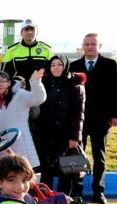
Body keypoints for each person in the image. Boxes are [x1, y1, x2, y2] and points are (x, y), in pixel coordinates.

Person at [69, 33, 117, 204]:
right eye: (87, 44)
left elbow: (116, 90)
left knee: (99, 156)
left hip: (101, 118)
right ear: (82, 46)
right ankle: (76, 191)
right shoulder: (74, 65)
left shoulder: (110, 64)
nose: (90, 46)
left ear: (99, 46)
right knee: (77, 155)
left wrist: (116, 115)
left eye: (93, 44)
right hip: (80, 119)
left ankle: (98, 191)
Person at [36, 55, 86, 196]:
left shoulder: (75, 85)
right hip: (46, 135)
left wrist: (74, 138)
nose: (56, 68)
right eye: (53, 65)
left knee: (66, 173)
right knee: (47, 173)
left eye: (59, 64)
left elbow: (79, 115)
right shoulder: (44, 82)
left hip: (66, 137)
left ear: (65, 66)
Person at [0, 70, 46, 168]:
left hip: (22, 147)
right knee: (6, 178)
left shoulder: (20, 95)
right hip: (1, 148)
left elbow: (39, 98)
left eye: (1, 81)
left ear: (9, 82)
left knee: (25, 177)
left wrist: (35, 82)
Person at [1, 19, 53, 84]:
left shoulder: (47, 49)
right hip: (19, 90)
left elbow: (52, 72)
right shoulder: (11, 50)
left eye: (32, 29)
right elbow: (4, 74)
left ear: (37, 32)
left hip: (41, 89)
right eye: (26, 29)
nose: (30, 32)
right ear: (21, 33)